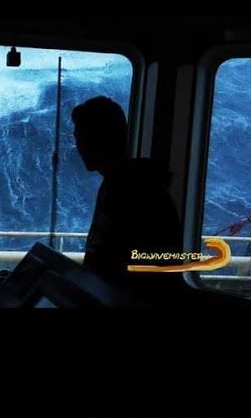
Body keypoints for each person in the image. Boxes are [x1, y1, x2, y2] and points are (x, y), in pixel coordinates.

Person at [71, 96, 184, 291]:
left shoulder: (134, 192)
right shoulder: (119, 184)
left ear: (99, 140)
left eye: (80, 138)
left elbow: (134, 270)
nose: (78, 146)